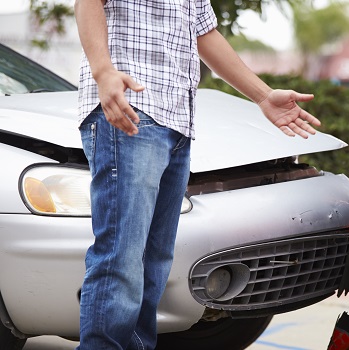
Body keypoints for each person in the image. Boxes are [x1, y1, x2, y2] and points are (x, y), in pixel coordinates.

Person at [73, 0, 320, 349]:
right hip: (130, 111)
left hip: (176, 123)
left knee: (154, 263)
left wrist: (263, 97)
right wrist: (103, 71)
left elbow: (204, 33)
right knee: (121, 257)